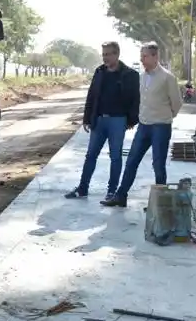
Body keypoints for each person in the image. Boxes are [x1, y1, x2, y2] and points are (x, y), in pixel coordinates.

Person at [103, 42, 183, 208]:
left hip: (161, 126)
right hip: (144, 126)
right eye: (141, 56)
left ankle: (160, 203)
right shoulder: (141, 77)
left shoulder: (167, 78)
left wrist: (167, 116)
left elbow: (177, 103)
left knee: (158, 165)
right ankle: (120, 196)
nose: (142, 60)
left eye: (145, 56)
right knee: (131, 161)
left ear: (155, 57)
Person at [64, 42, 139, 202]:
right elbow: (91, 95)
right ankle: (83, 188)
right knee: (90, 155)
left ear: (117, 54)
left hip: (118, 121)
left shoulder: (130, 74)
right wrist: (87, 118)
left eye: (108, 54)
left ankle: (112, 192)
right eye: (103, 54)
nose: (105, 57)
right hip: (99, 120)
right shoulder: (99, 71)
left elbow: (136, 99)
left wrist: (132, 120)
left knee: (115, 157)